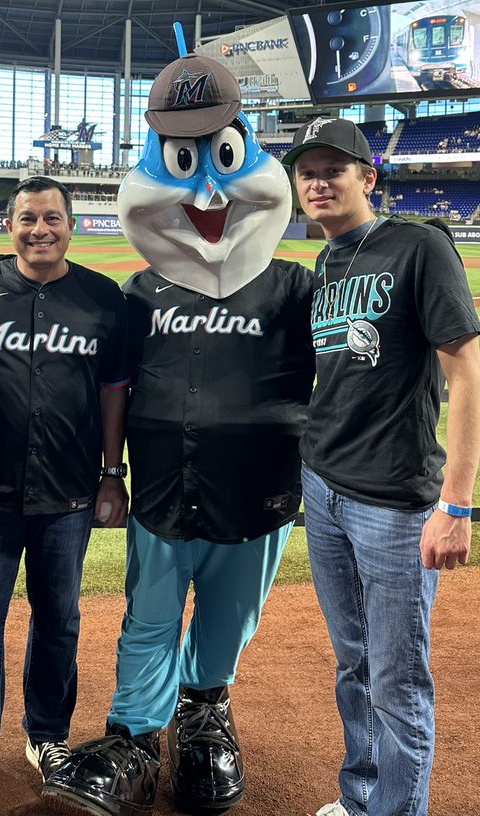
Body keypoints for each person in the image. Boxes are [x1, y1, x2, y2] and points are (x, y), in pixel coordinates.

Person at [43, 47, 315, 816]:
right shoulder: (142, 290)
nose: (206, 187)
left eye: (222, 158)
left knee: (229, 615)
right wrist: (109, 474)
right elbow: (114, 388)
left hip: (258, 494)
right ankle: (134, 734)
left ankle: (204, 716)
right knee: (149, 614)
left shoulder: (296, 285)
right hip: (163, 486)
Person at [283, 117, 480, 816]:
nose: (317, 182)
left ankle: (398, 809)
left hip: (394, 504)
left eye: (333, 169)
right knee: (352, 664)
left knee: (396, 678)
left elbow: (466, 377)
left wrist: (455, 505)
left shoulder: (419, 246)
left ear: (368, 178)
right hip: (325, 486)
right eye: (306, 171)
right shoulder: (327, 261)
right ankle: (362, 795)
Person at [0, 175, 130, 816]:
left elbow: (114, 393)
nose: (39, 229)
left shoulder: (102, 299)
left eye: (52, 217)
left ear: (71, 224)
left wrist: (113, 474)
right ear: (10, 226)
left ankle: (47, 737)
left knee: (60, 621)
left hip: (68, 492)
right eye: (28, 218)